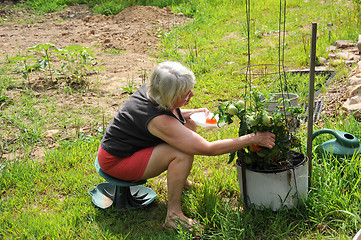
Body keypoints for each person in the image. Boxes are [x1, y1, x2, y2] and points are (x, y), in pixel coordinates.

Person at [97, 61, 275, 231]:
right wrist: (253, 138)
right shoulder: (157, 121)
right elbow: (208, 149)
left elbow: (169, 111)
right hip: (117, 162)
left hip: (126, 148)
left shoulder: (153, 90)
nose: (192, 96)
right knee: (182, 153)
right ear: (169, 96)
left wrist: (192, 113)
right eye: (186, 94)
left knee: (188, 124)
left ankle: (181, 182)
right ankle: (173, 215)